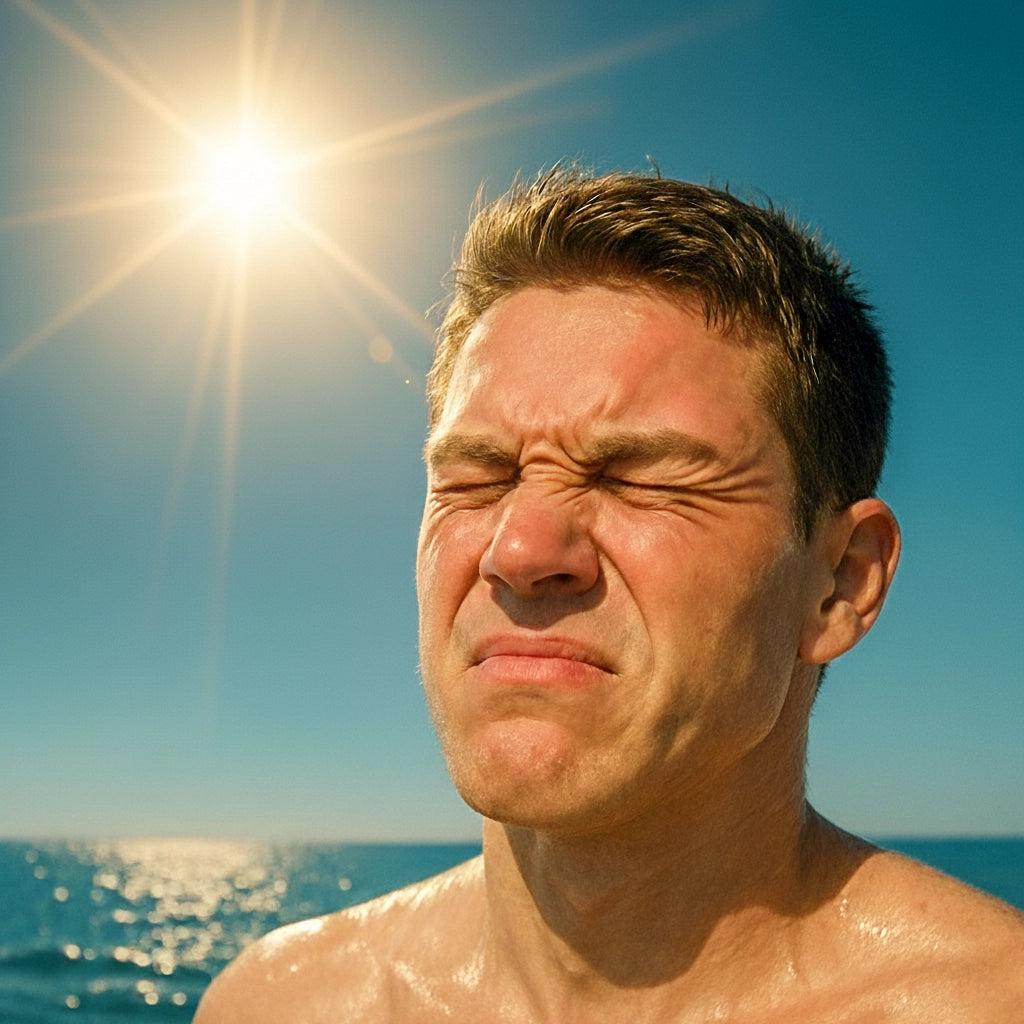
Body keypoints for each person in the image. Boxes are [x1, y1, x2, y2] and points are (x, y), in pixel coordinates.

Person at [195, 168, 1024, 1022]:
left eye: (641, 476)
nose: (518, 551)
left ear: (841, 583)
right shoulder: (277, 1004)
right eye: (478, 477)